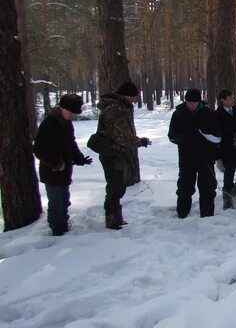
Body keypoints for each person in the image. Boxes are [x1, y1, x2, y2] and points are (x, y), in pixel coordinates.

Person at [33, 94, 92, 236]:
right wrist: (56, 163)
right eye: (70, 112)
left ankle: (63, 224)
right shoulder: (49, 124)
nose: (71, 116)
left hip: (65, 170)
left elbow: (71, 144)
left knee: (64, 199)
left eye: (74, 114)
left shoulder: (67, 124)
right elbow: (39, 149)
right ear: (62, 108)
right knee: (56, 202)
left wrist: (80, 159)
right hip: (51, 171)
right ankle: (57, 230)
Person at [96, 82, 150, 229]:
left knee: (118, 186)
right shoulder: (115, 109)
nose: (134, 100)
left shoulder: (122, 107)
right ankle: (112, 219)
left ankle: (116, 218)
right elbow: (122, 136)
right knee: (115, 187)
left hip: (118, 152)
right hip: (112, 153)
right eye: (132, 97)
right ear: (125, 95)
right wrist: (139, 142)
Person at [168, 89, 221, 218]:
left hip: (206, 158)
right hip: (187, 157)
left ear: (199, 102)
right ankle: (182, 214)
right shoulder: (178, 114)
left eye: (194, 102)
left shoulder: (208, 114)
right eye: (189, 102)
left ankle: (207, 215)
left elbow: (218, 135)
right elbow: (172, 135)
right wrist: (185, 140)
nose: (191, 105)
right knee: (185, 187)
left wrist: (207, 140)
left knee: (207, 187)